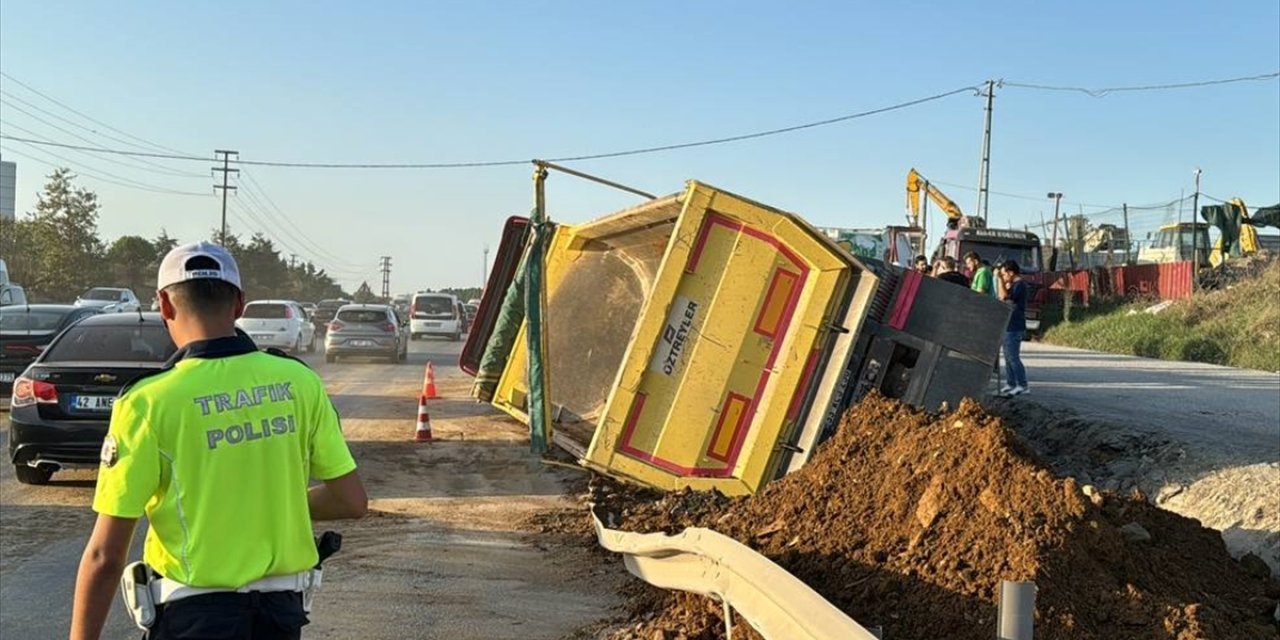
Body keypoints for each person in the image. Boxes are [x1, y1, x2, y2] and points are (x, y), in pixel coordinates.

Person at [71, 242, 368, 640]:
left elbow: (106, 556)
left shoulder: (148, 401)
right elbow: (351, 501)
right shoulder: (300, 383)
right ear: (240, 303)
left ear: (164, 304)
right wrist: (268, 507)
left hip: (192, 617)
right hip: (280, 617)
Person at [997, 259, 1029, 396]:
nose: (1003, 277)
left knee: (1013, 357)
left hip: (1015, 325)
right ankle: (1011, 382)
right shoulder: (1012, 285)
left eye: (1004, 274)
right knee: (1008, 356)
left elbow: (1004, 296)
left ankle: (1022, 384)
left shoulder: (1019, 285)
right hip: (1008, 325)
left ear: (1011, 272)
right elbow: (1001, 296)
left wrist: (999, 280)